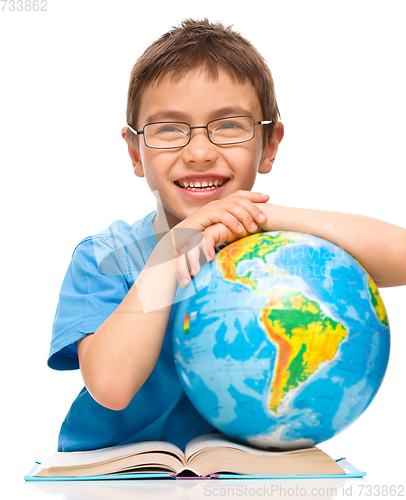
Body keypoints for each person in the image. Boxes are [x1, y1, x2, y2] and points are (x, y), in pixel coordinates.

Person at [48, 19, 406, 453]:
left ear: (269, 145)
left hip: (247, 473)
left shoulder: (284, 250)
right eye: (168, 130)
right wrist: (169, 253)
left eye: (229, 126)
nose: (199, 152)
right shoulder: (105, 257)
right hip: (114, 480)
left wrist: (265, 215)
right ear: (134, 152)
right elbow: (111, 386)